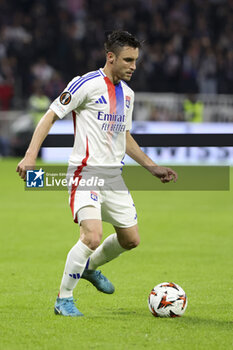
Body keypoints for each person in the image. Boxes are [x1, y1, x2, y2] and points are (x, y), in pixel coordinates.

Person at [16, 30, 178, 317]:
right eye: (128, 60)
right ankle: (63, 299)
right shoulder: (85, 84)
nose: (133, 66)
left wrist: (152, 167)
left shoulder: (127, 94)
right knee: (92, 236)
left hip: (113, 176)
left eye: (136, 60)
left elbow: (124, 137)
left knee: (131, 240)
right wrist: (30, 156)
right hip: (84, 172)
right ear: (110, 57)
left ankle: (88, 268)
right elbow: (51, 114)